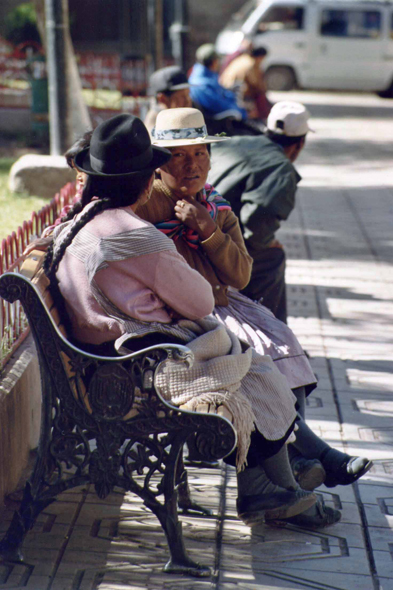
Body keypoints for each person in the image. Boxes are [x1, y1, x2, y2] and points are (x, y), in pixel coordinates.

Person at [42, 113, 318, 527]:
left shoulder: (76, 223)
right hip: (137, 368)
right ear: (144, 180)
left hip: (103, 359)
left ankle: (279, 489)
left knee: (250, 359)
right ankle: (271, 489)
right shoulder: (134, 234)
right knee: (250, 367)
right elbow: (201, 300)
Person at [140, 107, 372, 525]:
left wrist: (208, 230)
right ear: (158, 162)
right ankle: (308, 465)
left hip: (219, 308)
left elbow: (241, 273)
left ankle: (293, 474)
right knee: (257, 357)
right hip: (184, 321)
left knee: (278, 340)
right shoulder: (144, 205)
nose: (192, 165)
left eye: (200, 153)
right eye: (178, 155)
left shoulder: (214, 205)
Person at [208, 101, 310, 324]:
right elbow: (258, 222)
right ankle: (271, 338)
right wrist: (266, 241)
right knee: (271, 258)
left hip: (192, 224)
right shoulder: (282, 169)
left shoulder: (234, 142)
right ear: (300, 144)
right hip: (208, 239)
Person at [188, 43, 247, 122]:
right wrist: (242, 111)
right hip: (217, 122)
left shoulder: (208, 75)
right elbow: (218, 106)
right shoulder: (201, 84)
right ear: (213, 62)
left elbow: (222, 93)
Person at [220, 42, 272, 121]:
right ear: (260, 57)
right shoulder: (250, 64)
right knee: (260, 96)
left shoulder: (243, 58)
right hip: (232, 89)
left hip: (226, 86)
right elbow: (255, 83)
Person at [144, 66, 192, 133]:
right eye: (182, 96)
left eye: (188, 94)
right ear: (162, 99)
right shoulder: (155, 125)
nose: (188, 100)